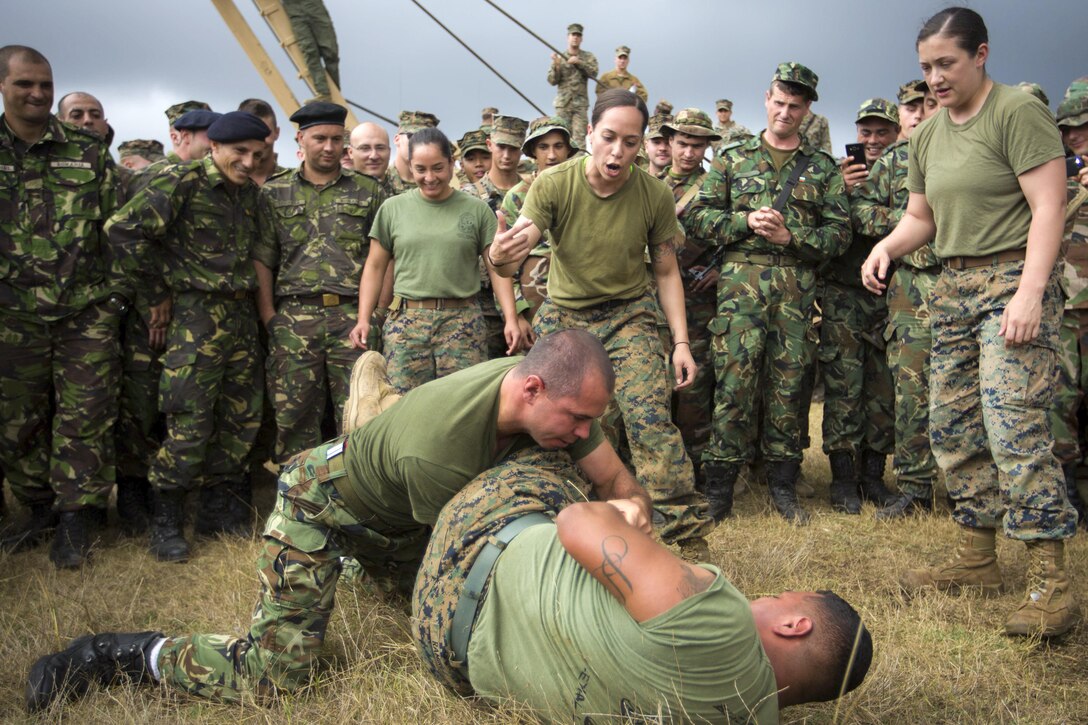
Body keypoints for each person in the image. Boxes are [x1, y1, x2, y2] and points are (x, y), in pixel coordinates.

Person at [26, 331, 654, 709]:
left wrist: (630, 515)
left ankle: (372, 428)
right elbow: (470, 575)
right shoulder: (437, 449)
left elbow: (617, 480)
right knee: (276, 675)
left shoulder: (556, 400)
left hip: (402, 516)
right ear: (532, 388)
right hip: (321, 507)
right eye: (574, 419)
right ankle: (120, 655)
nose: (582, 431)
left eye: (587, 421)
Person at [861, 7, 1077, 638]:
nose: (934, 78)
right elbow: (922, 217)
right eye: (926, 66)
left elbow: (1049, 206)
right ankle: (978, 556)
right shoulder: (926, 135)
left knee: (1013, 423)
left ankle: (1051, 585)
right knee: (951, 424)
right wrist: (887, 246)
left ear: (981, 55)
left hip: (1013, 280)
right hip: (953, 287)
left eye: (946, 64)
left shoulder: (1016, 112)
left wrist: (1031, 293)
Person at [413, 457, 873, 721]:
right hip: (449, 660)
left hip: (468, 563)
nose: (765, 597)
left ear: (794, 625)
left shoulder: (722, 624)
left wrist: (624, 514)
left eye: (779, 598)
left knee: (551, 455)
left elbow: (577, 524)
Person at [487, 89, 713, 555]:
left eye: (631, 142)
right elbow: (523, 237)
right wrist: (503, 253)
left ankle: (682, 541)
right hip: (567, 318)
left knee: (649, 418)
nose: (618, 152)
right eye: (609, 137)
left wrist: (681, 342)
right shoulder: (553, 184)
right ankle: (558, 523)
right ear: (588, 134)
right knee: (558, 421)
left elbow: (667, 270)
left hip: (630, 313)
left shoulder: (652, 194)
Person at [683, 63, 850, 525]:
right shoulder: (734, 158)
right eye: (779, 102)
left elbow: (838, 235)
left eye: (795, 106)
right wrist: (744, 223)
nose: (785, 112)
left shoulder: (821, 168)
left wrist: (789, 237)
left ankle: (782, 484)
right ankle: (719, 488)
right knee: (733, 384)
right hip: (740, 290)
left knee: (789, 388)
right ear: (766, 98)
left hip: (795, 293)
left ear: (808, 109)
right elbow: (698, 219)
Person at [106, 111, 274, 562]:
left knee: (241, 417)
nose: (247, 161)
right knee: (189, 419)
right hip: (195, 316)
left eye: (256, 154)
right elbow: (121, 231)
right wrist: (154, 293)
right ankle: (166, 520)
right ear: (215, 147)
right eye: (239, 152)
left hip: (239, 313)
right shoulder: (181, 183)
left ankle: (218, 512)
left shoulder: (249, 196)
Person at [0, 45, 121, 567]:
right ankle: (37, 509)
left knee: (85, 413)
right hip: (11, 315)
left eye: (46, 84)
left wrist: (114, 298)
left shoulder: (86, 149)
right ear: (3, 86)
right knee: (17, 419)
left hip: (84, 309)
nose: (38, 94)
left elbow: (119, 229)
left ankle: (78, 517)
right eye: (26, 83)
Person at [254, 101, 384, 466]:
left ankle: (357, 502)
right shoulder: (274, 193)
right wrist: (269, 316)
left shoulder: (368, 191)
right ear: (301, 139)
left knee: (359, 414)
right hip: (295, 318)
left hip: (351, 317)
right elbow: (263, 258)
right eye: (319, 138)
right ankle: (296, 505)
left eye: (336, 139)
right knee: (294, 416)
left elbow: (382, 257)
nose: (329, 147)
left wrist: (375, 313)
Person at [350, 128, 521, 392]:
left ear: (452, 164)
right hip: (407, 324)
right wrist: (364, 318)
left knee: (462, 404)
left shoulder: (476, 211)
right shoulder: (393, 209)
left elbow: (497, 269)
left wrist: (510, 318)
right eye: (420, 169)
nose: (430, 178)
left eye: (438, 168)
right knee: (404, 406)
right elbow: (374, 267)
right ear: (410, 166)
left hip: (463, 323)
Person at [853, 82, 941, 520]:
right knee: (910, 388)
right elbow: (864, 212)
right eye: (913, 105)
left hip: (967, 278)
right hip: (911, 286)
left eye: (930, 103)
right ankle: (914, 486)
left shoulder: (968, 148)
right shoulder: (893, 161)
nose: (922, 112)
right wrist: (914, 222)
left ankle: (975, 486)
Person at [819, 98, 902, 514]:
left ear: (895, 133)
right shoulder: (838, 172)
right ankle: (843, 479)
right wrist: (841, 190)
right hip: (844, 292)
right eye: (865, 132)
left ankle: (874, 476)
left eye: (881, 132)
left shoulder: (907, 172)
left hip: (888, 295)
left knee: (882, 389)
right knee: (843, 384)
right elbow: (823, 222)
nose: (872, 141)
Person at [659, 109, 723, 499]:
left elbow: (730, 237)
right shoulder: (650, 186)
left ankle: (697, 469)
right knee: (656, 386)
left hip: (699, 303)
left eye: (696, 145)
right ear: (668, 143)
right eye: (681, 143)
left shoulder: (715, 187)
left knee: (695, 389)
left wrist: (721, 269)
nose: (687, 152)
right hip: (655, 301)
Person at [1049, 81, 1088, 523]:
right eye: (1068, 128)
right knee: (1061, 401)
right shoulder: (1053, 167)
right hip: (1065, 302)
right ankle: (1067, 493)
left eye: (1084, 127)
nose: (1075, 136)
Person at [500, 116, 577, 320]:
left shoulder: (584, 190)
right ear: (533, 150)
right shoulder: (518, 196)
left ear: (568, 149)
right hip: (534, 303)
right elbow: (506, 263)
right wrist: (517, 315)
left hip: (580, 299)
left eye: (558, 146)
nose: (551, 155)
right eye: (543, 147)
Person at [547, 23, 598, 147]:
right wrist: (556, 65)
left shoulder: (588, 57)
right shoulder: (560, 57)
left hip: (579, 105)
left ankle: (578, 165)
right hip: (563, 104)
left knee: (579, 140)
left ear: (581, 39)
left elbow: (593, 73)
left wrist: (579, 63)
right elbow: (552, 80)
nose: (575, 37)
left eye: (578, 35)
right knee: (561, 136)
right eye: (573, 35)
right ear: (568, 37)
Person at [280, 0, 340, 102]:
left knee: (330, 51)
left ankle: (334, 92)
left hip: (313, 6)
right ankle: (324, 92)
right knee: (309, 51)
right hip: (294, 9)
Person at [385, 110, 438, 196]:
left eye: (427, 139)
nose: (420, 143)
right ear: (397, 139)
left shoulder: (436, 184)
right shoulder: (380, 181)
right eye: (412, 136)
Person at [237, 98, 285, 185]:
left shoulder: (295, 184)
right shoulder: (225, 183)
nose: (258, 141)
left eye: (265, 133)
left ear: (277, 133)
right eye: (251, 133)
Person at [642, 110, 672, 177]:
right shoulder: (634, 179)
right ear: (646, 146)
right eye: (656, 142)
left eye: (668, 142)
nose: (663, 148)